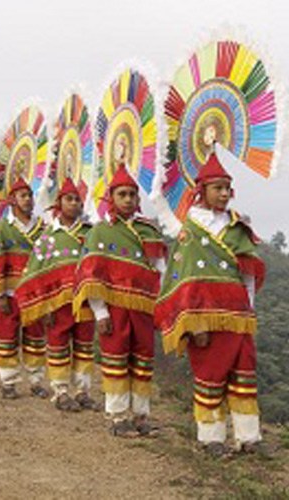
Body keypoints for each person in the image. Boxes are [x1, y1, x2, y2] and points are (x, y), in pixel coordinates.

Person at [156, 152, 266, 457]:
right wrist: (194, 323)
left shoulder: (237, 227)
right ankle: (211, 438)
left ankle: (249, 437)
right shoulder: (189, 232)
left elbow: (248, 275)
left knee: (244, 374)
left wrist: (250, 312)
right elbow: (183, 281)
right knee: (210, 376)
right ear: (201, 190)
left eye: (226, 188)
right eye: (217, 188)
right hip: (205, 319)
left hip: (238, 317)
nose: (223, 194)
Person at [73, 165, 166, 437]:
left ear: (138, 199)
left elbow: (160, 269)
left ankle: (141, 416)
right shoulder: (99, 232)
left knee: (143, 361)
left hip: (144, 308)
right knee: (115, 361)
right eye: (122, 194)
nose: (127, 199)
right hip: (113, 310)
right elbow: (90, 276)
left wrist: (162, 306)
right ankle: (117, 417)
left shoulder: (149, 230)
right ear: (110, 198)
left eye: (132, 194)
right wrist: (100, 313)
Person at [15, 178, 99, 412]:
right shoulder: (47, 237)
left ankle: (83, 391)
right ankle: (60, 392)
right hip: (57, 304)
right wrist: (44, 306)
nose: (73, 203)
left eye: (77, 200)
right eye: (68, 199)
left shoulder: (91, 233)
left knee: (84, 345)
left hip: (85, 301)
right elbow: (37, 271)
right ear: (58, 203)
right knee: (58, 345)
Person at [0, 177, 48, 399]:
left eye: (30, 195)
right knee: (7, 336)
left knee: (35, 337)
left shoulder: (42, 228)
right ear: (12, 200)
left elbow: (48, 260)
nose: (28, 200)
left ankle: (36, 381)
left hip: (35, 293)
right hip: (10, 293)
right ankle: (8, 382)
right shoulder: (3, 229)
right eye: (23, 196)